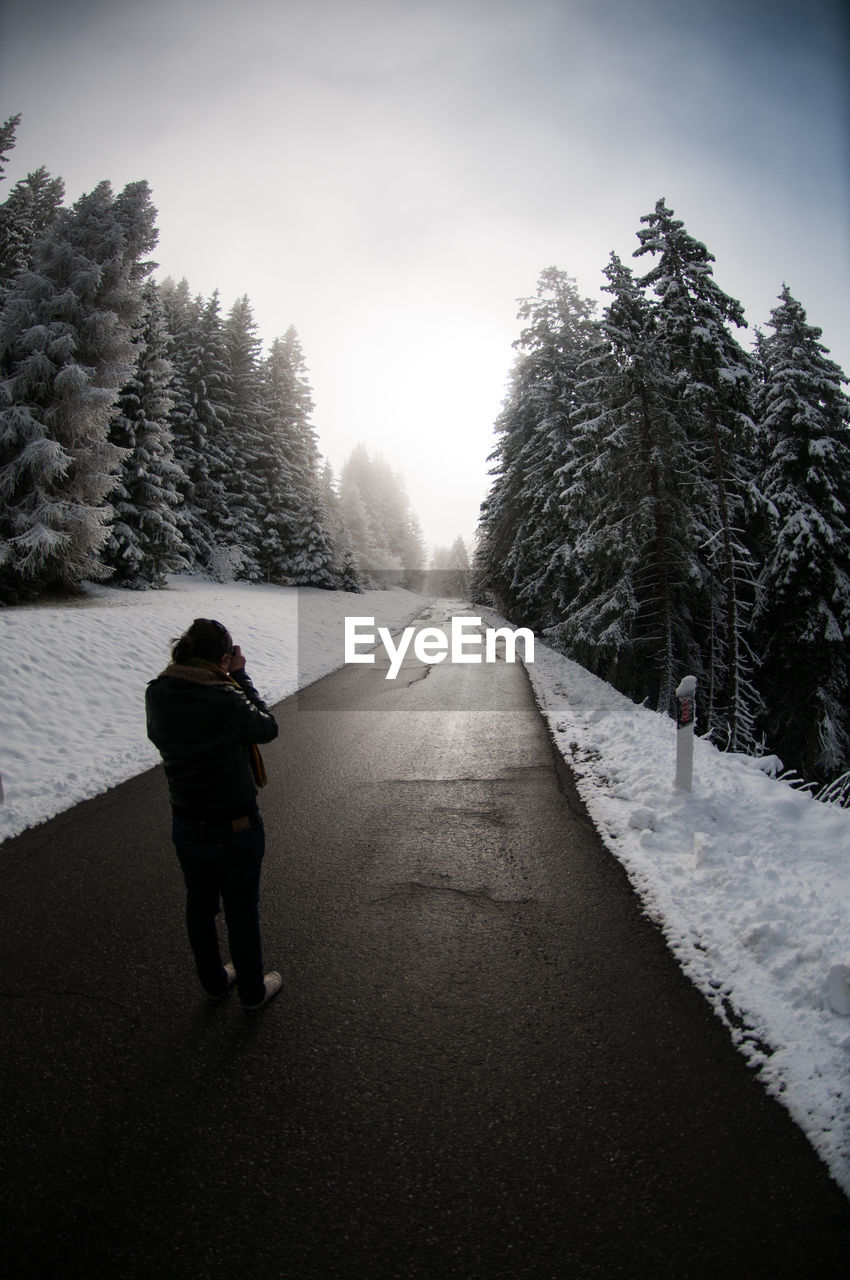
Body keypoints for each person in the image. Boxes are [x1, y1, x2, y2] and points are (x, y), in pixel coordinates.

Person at [145, 617, 282, 1012]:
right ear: (222, 658)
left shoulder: (158, 691)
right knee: (241, 910)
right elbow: (267, 728)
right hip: (236, 823)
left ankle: (214, 982)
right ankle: (253, 992)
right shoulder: (225, 695)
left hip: (186, 821)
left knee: (200, 907)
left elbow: (158, 736)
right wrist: (241, 677)